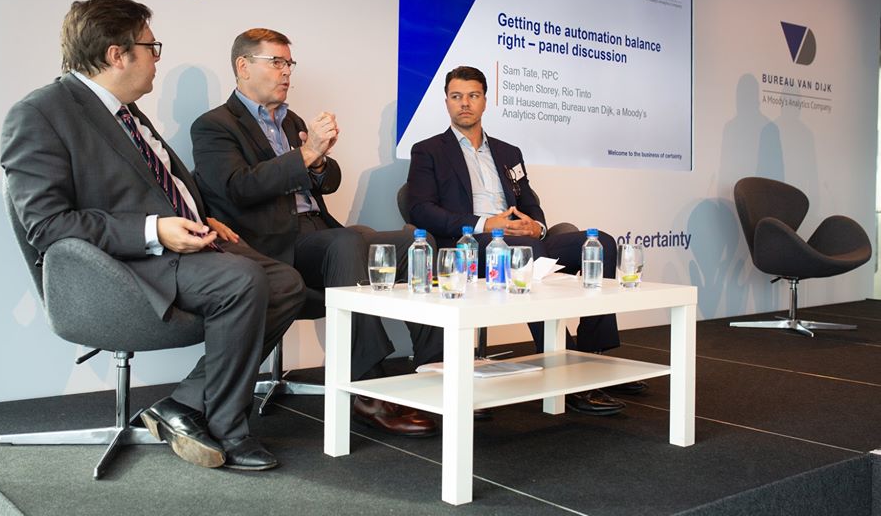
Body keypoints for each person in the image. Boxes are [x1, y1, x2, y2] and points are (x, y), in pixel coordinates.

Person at [0, 0, 304, 471]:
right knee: (242, 280)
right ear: (117, 54)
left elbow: (158, 184)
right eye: (151, 47)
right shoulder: (40, 113)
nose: (157, 59)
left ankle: (184, 405)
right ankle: (228, 426)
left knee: (285, 282)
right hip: (123, 266)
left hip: (180, 248)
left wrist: (199, 215)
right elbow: (46, 223)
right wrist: (154, 230)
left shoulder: (125, 111)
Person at [191, 28, 444, 438]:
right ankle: (365, 386)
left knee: (417, 242)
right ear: (243, 66)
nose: (286, 72)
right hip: (273, 245)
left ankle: (436, 370)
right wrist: (307, 154)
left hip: (319, 233)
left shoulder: (291, 121)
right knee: (347, 241)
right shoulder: (215, 126)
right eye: (276, 62)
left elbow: (327, 182)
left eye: (289, 63)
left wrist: (320, 161)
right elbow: (238, 188)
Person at [406, 65, 646, 416]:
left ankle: (593, 359)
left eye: (472, 96)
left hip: (523, 240)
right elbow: (420, 209)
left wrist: (537, 226)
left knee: (602, 244)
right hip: (471, 245)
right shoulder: (428, 151)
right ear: (446, 102)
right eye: (456, 97)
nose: (465, 103)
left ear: (485, 101)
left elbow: (531, 203)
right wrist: (486, 223)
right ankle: (565, 371)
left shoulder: (508, 152)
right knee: (527, 251)